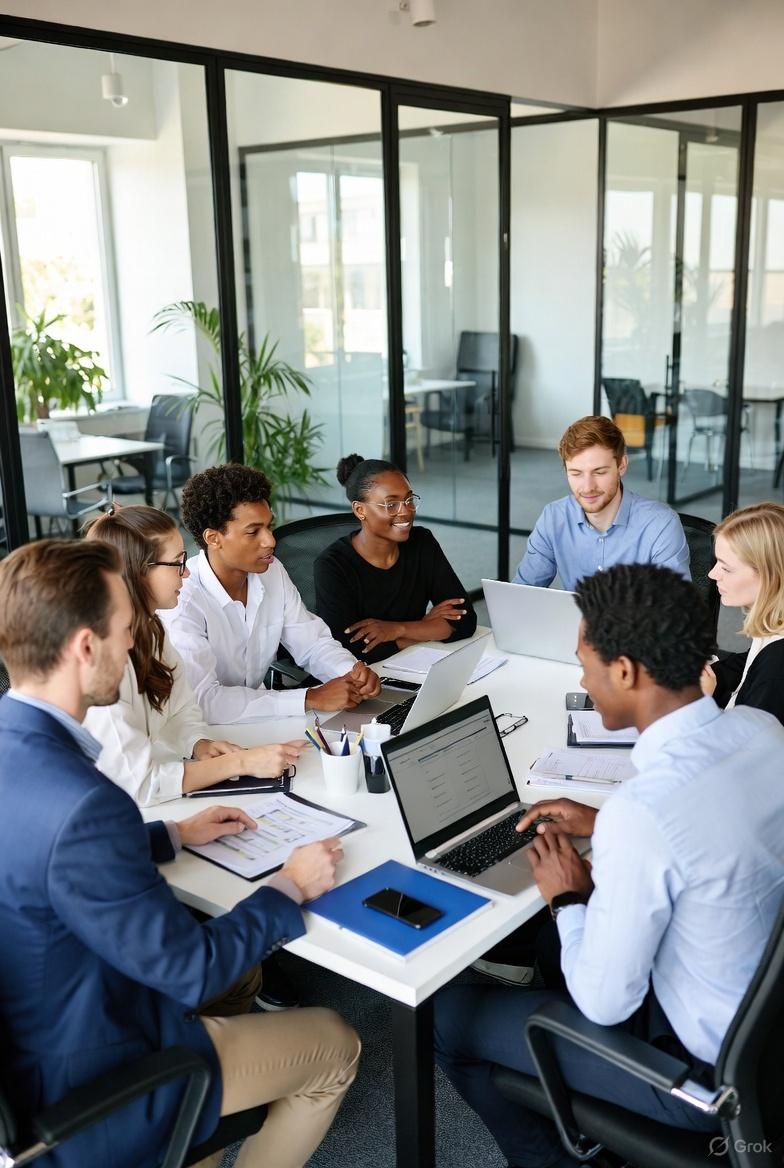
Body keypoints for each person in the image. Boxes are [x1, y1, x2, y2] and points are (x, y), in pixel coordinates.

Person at [0, 539, 360, 1168]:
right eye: (124, 629)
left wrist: (170, 835)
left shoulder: (19, 751)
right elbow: (190, 970)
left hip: (32, 1044)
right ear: (85, 647)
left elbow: (37, 859)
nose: (133, 643)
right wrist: (289, 886)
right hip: (96, 1081)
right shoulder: (87, 803)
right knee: (336, 1044)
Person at [434, 563, 784, 1168]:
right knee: (551, 946)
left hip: (705, 1076)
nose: (582, 678)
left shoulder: (643, 813)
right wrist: (604, 823)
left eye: (584, 663)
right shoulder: (764, 732)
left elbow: (605, 1003)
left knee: (445, 1017)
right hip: (768, 1031)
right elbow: (709, 827)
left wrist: (568, 896)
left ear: (623, 671)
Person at [81, 505, 305, 806]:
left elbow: (180, 707)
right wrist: (238, 763)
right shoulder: (100, 662)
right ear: (138, 571)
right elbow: (138, 785)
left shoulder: (152, 628)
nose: (186, 572)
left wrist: (198, 744)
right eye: (178, 562)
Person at [160, 464, 381, 723]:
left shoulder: (271, 571)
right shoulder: (183, 599)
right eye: (253, 532)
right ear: (213, 538)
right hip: (204, 732)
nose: (270, 541)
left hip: (262, 719)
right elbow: (203, 701)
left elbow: (311, 643)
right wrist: (309, 698)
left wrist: (351, 673)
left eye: (269, 526)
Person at [313, 454, 477, 664]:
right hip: (363, 677)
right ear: (360, 510)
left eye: (409, 499)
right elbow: (348, 651)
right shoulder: (332, 565)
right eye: (391, 504)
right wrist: (424, 628)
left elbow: (465, 619)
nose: (406, 511)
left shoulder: (422, 542)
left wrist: (398, 629)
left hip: (416, 664)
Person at [512, 415, 690, 590]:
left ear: (622, 465)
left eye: (599, 472)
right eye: (576, 473)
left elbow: (675, 603)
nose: (588, 487)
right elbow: (522, 592)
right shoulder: (553, 517)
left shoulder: (660, 524)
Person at [701, 501, 784, 725]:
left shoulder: (776, 667)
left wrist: (701, 707)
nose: (712, 574)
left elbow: (748, 744)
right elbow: (747, 664)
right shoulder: (774, 629)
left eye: (726, 568)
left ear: (771, 576)